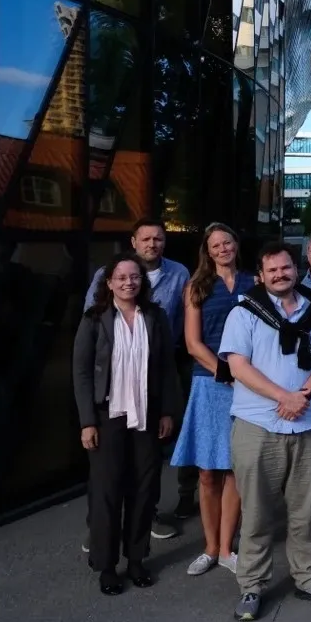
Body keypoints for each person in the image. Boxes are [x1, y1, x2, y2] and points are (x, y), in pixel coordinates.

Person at [220, 243, 311, 620]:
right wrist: (284, 397)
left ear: (295, 269)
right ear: (261, 275)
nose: (280, 275)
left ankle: (306, 577)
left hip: (308, 423)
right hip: (259, 425)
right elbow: (238, 366)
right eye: (271, 270)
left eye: (286, 268)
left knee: (304, 511)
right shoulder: (244, 314)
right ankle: (252, 586)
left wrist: (304, 394)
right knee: (256, 513)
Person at [74, 253, 182, 595]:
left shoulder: (156, 316)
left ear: (142, 282)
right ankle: (106, 565)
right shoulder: (94, 320)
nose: (128, 282)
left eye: (134, 277)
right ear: (109, 283)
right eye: (121, 277)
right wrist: (87, 421)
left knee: (145, 489)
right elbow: (81, 374)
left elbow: (167, 367)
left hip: (147, 417)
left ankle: (136, 560)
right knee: (107, 493)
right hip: (107, 418)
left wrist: (167, 411)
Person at [83, 219, 190, 535]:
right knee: (109, 463)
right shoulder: (107, 275)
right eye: (145, 239)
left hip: (153, 375)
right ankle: (99, 526)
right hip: (114, 378)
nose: (152, 244)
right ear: (134, 241)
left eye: (158, 239)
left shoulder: (179, 273)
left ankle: (148, 515)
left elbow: (180, 324)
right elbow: (91, 319)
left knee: (148, 459)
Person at [175, 223, 254, 577]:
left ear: (236, 245)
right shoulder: (197, 286)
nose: (223, 248)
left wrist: (247, 376)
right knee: (208, 472)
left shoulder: (256, 283)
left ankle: (226, 548)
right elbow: (193, 343)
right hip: (210, 383)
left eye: (228, 241)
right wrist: (227, 372)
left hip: (249, 386)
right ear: (207, 252)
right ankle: (208, 546)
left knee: (236, 468)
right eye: (215, 245)